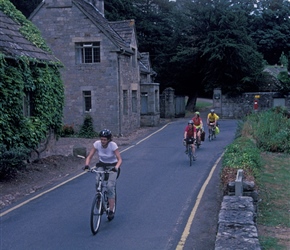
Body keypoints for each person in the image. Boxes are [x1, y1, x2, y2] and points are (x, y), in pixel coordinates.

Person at [84, 129, 122, 221]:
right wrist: (86, 165)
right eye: (101, 139)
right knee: (97, 181)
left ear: (108, 140)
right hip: (101, 165)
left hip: (112, 166)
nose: (103, 141)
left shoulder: (113, 146)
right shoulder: (97, 144)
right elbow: (90, 156)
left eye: (105, 140)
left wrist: (116, 167)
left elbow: (120, 159)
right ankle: (99, 199)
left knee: (109, 186)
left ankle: (111, 210)